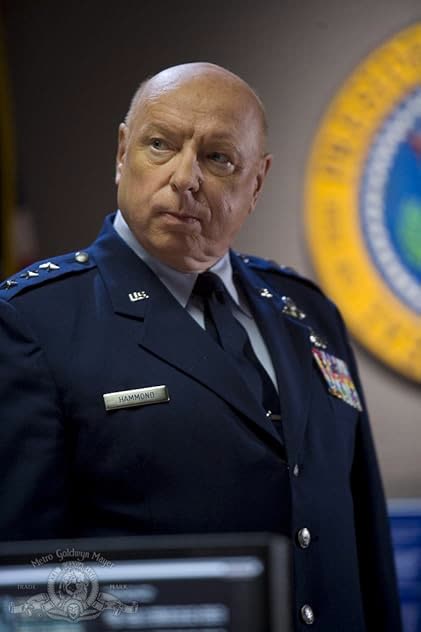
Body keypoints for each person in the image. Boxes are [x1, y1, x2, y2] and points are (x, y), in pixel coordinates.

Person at [0, 62, 401, 630]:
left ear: (256, 183)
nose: (184, 177)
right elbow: (21, 583)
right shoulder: (34, 320)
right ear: (122, 153)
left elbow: (365, 544)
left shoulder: (307, 312)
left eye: (218, 158)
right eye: (160, 145)